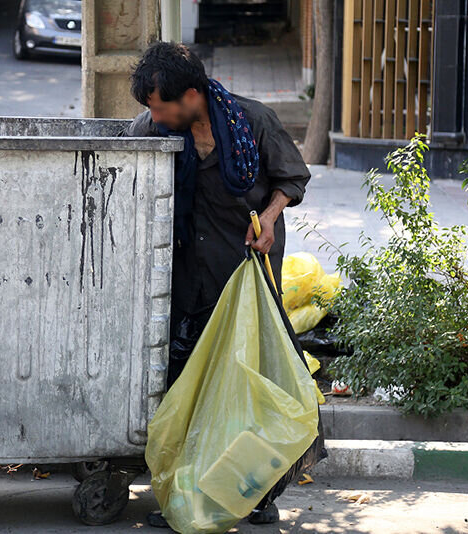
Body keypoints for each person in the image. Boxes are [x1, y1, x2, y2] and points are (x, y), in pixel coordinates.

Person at [119, 41, 311, 527]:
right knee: (188, 391)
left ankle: (256, 492)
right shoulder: (156, 128)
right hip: (189, 281)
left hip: (245, 277)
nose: (154, 117)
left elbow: (292, 179)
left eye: (160, 107)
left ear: (190, 96)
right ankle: (186, 496)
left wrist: (270, 217)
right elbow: (127, 162)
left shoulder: (253, 121)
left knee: (253, 387)